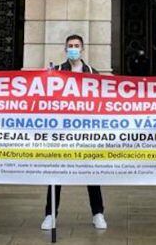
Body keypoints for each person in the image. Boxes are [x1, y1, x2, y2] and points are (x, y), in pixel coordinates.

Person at [41, 34, 107, 231]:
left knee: (91, 173)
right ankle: (50, 215)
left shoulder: (93, 73)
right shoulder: (56, 72)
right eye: (70, 46)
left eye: (77, 46)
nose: (73, 49)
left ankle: (98, 213)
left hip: (86, 132)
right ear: (65, 49)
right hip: (62, 132)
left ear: (83, 49)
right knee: (56, 173)